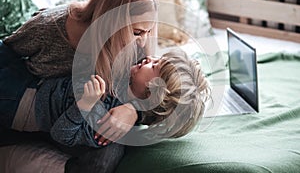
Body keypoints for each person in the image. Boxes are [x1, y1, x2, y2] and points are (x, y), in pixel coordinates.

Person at [1, 0, 158, 172]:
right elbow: (7, 53)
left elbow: (156, 89)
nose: (143, 42)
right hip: (32, 107)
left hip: (76, 121)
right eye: (137, 32)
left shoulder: (138, 45)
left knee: (105, 155)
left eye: (148, 32)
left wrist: (134, 111)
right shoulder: (49, 27)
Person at [0, 40, 210, 148]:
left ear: (153, 93)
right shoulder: (127, 82)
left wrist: (83, 105)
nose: (150, 58)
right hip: (32, 79)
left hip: (23, 104)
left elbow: (61, 135)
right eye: (157, 58)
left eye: (154, 66)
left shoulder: (110, 123)